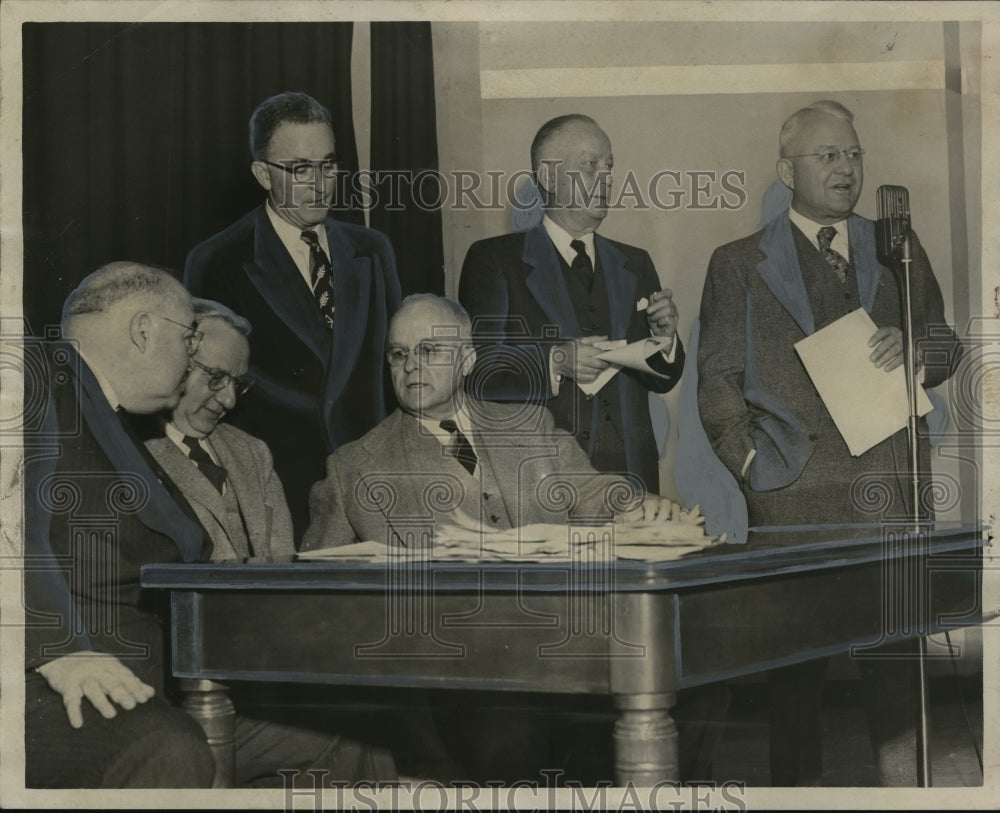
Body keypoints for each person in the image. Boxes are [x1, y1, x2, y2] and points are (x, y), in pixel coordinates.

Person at [303, 294, 726, 784]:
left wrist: (633, 503)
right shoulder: (355, 467)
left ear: (467, 359)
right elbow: (317, 603)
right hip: (460, 679)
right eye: (399, 354)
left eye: (429, 351)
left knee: (698, 692)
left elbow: (589, 488)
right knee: (510, 728)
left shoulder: (529, 426)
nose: (412, 366)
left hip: (568, 651)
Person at [23, 264, 395, 788]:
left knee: (349, 744)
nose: (191, 355)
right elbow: (7, 522)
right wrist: (60, 650)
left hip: (170, 685)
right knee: (170, 751)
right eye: (188, 338)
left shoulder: (113, 419)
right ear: (144, 331)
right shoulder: (35, 375)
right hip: (66, 685)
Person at [696, 100, 963, 785]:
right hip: (793, 510)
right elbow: (717, 384)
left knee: (896, 685)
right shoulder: (735, 264)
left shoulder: (896, 245)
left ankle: (909, 799)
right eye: (828, 155)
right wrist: (753, 464)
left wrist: (915, 350)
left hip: (890, 498)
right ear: (787, 170)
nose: (846, 168)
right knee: (793, 690)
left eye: (854, 154)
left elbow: (945, 341)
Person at [185, 91, 401, 542]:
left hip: (374, 487)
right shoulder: (218, 259)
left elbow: (391, 370)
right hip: (277, 491)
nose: (320, 184)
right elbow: (212, 386)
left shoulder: (373, 249)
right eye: (300, 169)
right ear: (263, 174)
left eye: (328, 164)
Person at [458, 114, 684, 494]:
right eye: (590, 165)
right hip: (540, 481)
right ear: (547, 178)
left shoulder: (636, 263)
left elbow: (665, 376)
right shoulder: (494, 260)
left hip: (631, 477)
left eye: (609, 166)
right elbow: (478, 373)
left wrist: (666, 338)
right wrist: (555, 360)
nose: (606, 177)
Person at [145, 299, 295, 563]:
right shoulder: (132, 452)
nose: (230, 400)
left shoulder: (252, 452)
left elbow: (284, 563)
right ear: (175, 363)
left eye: (237, 384)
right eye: (216, 378)